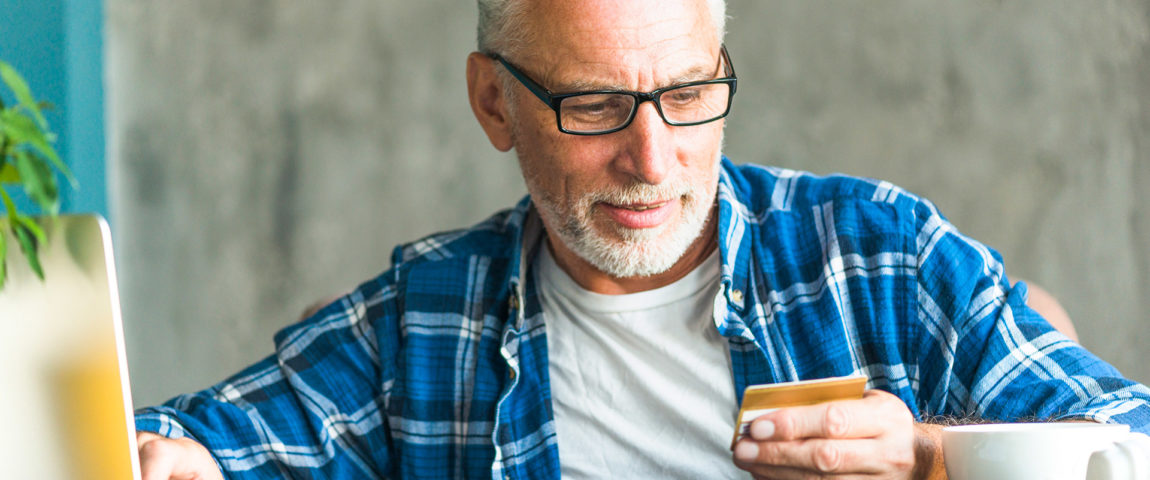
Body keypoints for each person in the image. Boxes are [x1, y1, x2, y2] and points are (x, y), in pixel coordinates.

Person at [134, 0, 1150, 478]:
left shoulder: (878, 258)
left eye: (688, 94)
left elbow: (1129, 445)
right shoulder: (422, 327)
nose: (653, 159)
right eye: (593, 106)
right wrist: (177, 467)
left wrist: (931, 456)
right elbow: (185, 450)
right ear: (494, 103)